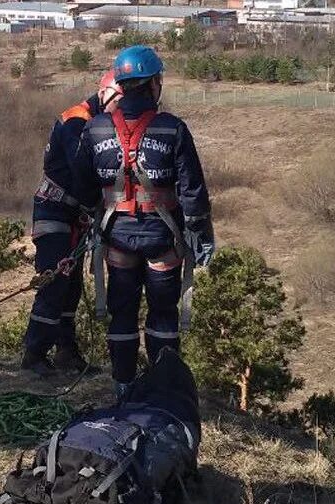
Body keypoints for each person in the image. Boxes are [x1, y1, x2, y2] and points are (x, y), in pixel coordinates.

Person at [72, 45, 214, 398]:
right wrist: (201, 233)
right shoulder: (172, 129)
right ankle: (163, 389)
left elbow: (82, 186)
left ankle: (123, 386)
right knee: (163, 315)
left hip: (117, 237)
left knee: (122, 313)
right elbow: (192, 190)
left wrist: (96, 217)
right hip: (163, 238)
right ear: (153, 84)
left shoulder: (95, 129)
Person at [20, 71, 123, 377]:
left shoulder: (101, 122)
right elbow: (83, 172)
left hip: (74, 214)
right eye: (120, 101)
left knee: (71, 287)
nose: (122, 108)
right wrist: (100, 202)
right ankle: (34, 354)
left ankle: (66, 351)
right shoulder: (77, 121)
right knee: (54, 282)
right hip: (54, 210)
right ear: (105, 94)